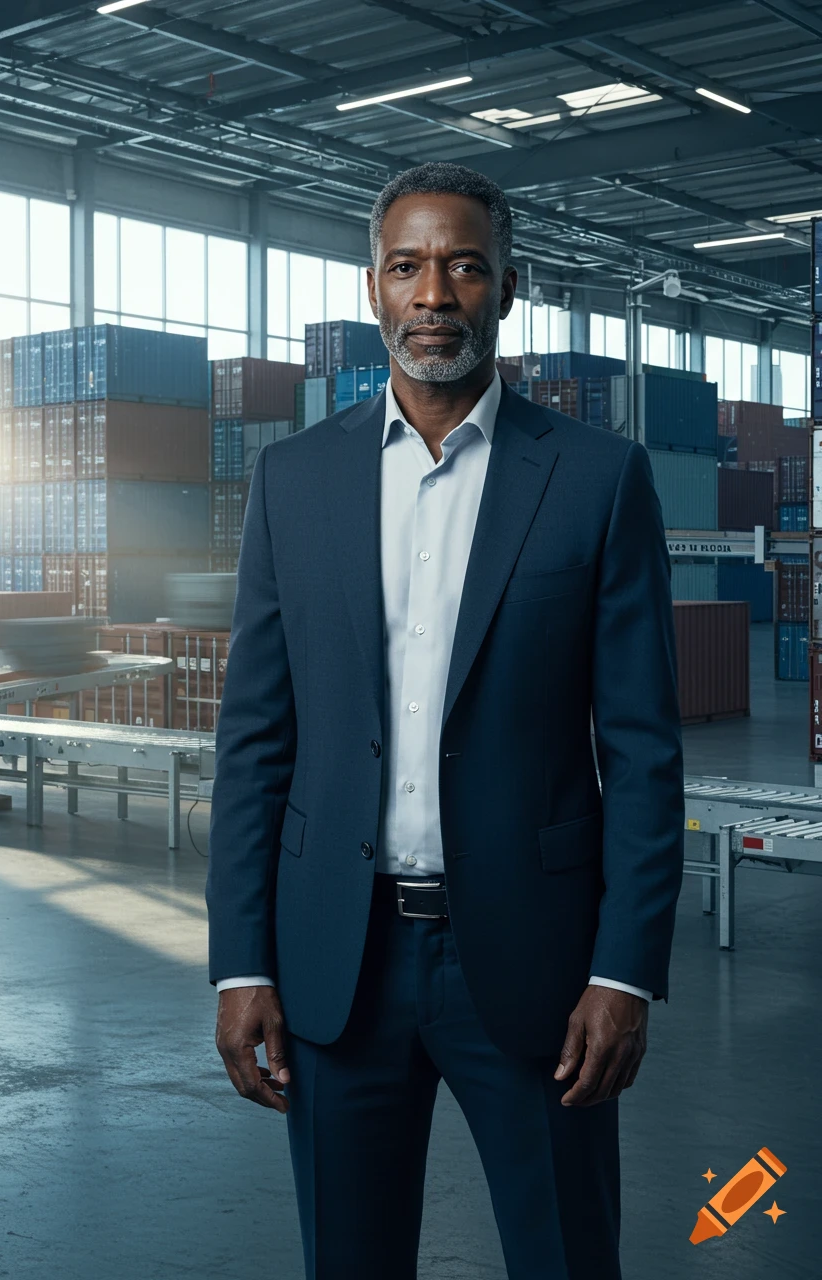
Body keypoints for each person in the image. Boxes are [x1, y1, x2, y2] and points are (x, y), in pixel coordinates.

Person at [206, 161, 684, 1279]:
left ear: (506, 287)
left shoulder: (596, 479)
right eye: (407, 266)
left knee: (565, 1256)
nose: (433, 293)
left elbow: (642, 749)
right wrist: (240, 962)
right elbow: (254, 739)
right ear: (373, 287)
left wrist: (621, 972)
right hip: (337, 961)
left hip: (534, 965)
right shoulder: (293, 480)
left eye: (462, 265)